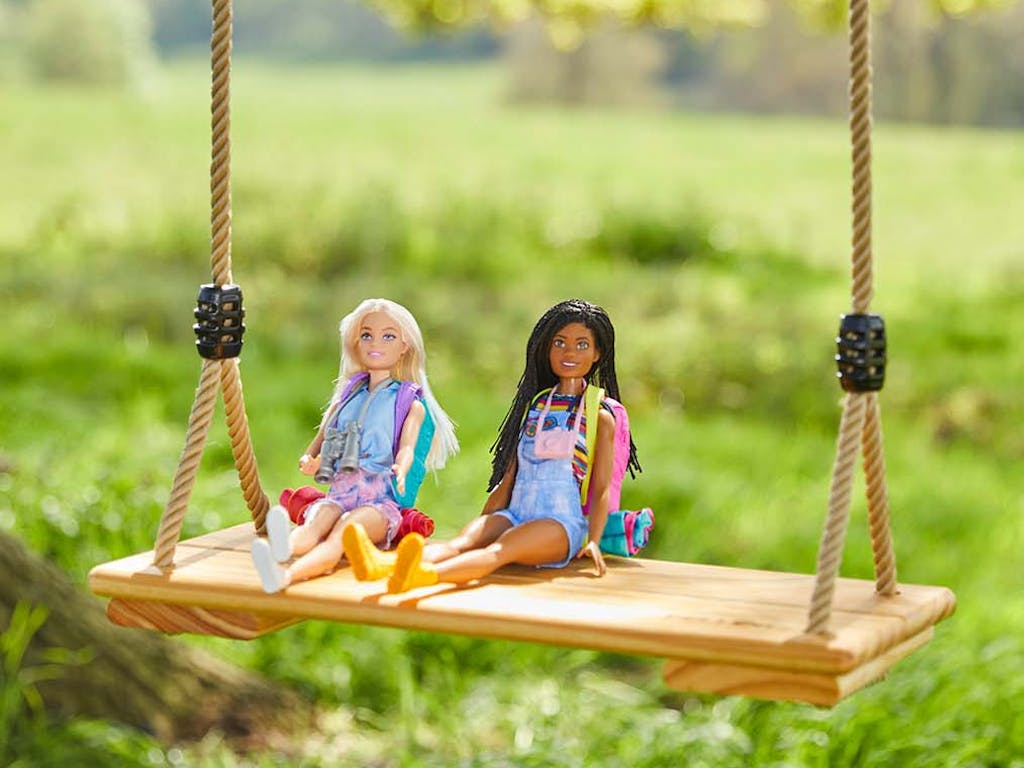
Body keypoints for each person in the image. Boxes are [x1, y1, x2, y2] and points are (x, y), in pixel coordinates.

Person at [344, 298, 640, 594]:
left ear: (598, 352)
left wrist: (594, 541)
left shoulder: (598, 416)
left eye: (582, 345)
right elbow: (511, 475)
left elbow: (601, 487)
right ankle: (383, 567)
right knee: (464, 541)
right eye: (559, 343)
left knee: (497, 551)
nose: (569, 353)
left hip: (558, 522)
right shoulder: (537, 407)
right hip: (515, 512)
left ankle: (423, 576)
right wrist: (486, 518)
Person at [250, 298, 458, 593]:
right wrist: (311, 459)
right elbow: (322, 437)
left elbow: (408, 446)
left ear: (404, 346)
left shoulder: (409, 401)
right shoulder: (349, 395)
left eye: (388, 336)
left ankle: (286, 577)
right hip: (340, 491)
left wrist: (403, 464)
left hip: (380, 501)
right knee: (314, 526)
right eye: (366, 335)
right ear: (355, 343)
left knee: (342, 534)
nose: (376, 342)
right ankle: (280, 550)